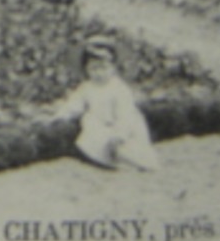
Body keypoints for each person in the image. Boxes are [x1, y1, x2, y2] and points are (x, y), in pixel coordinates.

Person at [59, 35, 158, 172]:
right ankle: (107, 159)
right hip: (101, 126)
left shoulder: (118, 88)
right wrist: (62, 115)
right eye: (93, 69)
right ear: (86, 70)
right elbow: (74, 104)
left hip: (123, 126)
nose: (99, 73)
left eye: (103, 68)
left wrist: (119, 135)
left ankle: (135, 162)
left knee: (125, 148)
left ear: (113, 67)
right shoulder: (87, 87)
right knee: (88, 120)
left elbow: (125, 114)